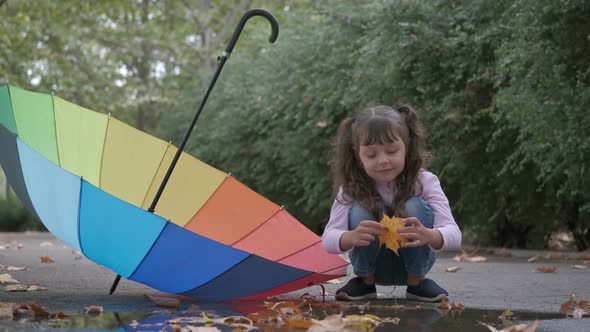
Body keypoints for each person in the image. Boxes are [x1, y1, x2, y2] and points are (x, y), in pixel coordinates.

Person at [321, 105, 461, 302]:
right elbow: (328, 239)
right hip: (374, 265)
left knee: (414, 206)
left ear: (407, 146)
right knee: (360, 210)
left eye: (392, 151)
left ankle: (416, 283)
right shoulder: (351, 188)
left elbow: (454, 234)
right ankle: (365, 282)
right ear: (358, 156)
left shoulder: (424, 182)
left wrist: (430, 235)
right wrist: (351, 237)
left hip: (411, 265)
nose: (383, 160)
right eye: (371, 155)